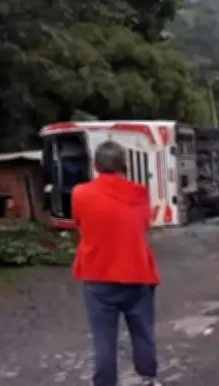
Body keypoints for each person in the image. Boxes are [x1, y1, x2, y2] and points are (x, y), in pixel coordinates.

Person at [71, 141, 162, 386]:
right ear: (125, 165)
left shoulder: (80, 193)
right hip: (137, 273)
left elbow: (79, 221)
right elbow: (143, 225)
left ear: (96, 165)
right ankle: (148, 379)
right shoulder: (139, 193)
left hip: (97, 276)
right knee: (143, 333)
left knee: (103, 340)